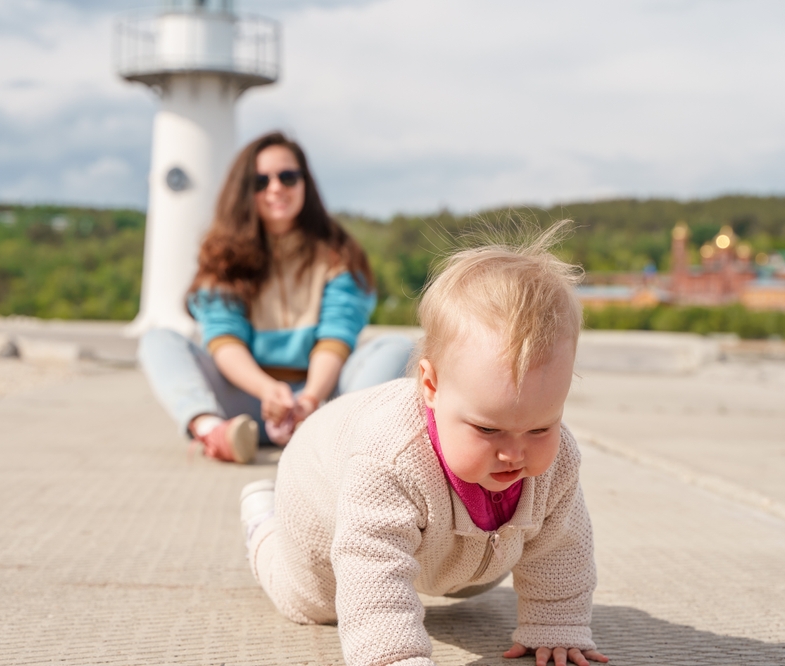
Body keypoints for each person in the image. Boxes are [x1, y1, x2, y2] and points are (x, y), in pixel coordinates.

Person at [239, 226, 609, 666]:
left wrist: (556, 623)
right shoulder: (390, 458)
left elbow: (562, 545)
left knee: (476, 583)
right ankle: (263, 520)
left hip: (456, 547)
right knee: (314, 603)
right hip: (315, 488)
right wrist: (394, 655)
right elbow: (371, 562)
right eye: (488, 430)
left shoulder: (557, 459)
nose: (514, 453)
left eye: (540, 429)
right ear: (430, 385)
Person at [137, 131, 414, 464]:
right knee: (158, 341)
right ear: (244, 190)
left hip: (321, 399)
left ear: (304, 183)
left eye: (288, 176)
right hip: (245, 401)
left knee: (400, 347)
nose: (276, 188)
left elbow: (336, 336)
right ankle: (213, 431)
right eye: (260, 181)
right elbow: (223, 339)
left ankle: (339, 435)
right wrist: (267, 390)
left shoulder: (338, 254)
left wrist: (309, 399)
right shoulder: (223, 256)